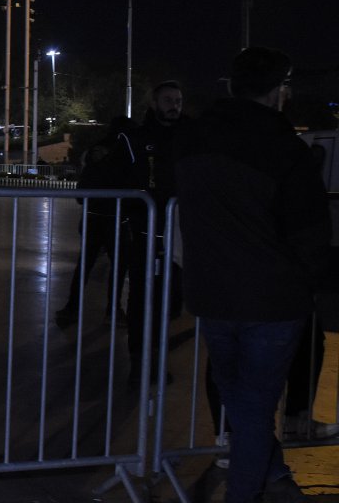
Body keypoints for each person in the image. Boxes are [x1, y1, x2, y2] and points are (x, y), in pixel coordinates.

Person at [175, 47, 330, 503]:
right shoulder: (285, 148)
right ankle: (245, 492)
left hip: (212, 294)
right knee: (256, 407)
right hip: (271, 300)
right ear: (278, 91)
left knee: (240, 399)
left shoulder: (195, 137)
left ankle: (274, 473)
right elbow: (310, 233)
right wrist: (310, 282)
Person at [105, 80, 185, 385]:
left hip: (177, 235)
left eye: (178, 100)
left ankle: (156, 358)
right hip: (143, 233)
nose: (174, 106)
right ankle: (139, 363)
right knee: (141, 298)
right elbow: (114, 176)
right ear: (153, 103)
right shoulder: (135, 139)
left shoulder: (188, 135)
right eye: (168, 100)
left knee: (168, 302)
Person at [55, 115, 135, 328]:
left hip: (94, 217)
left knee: (85, 264)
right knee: (118, 267)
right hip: (116, 219)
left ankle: (73, 307)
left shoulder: (95, 152)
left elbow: (82, 191)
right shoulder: (127, 153)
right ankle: (113, 310)